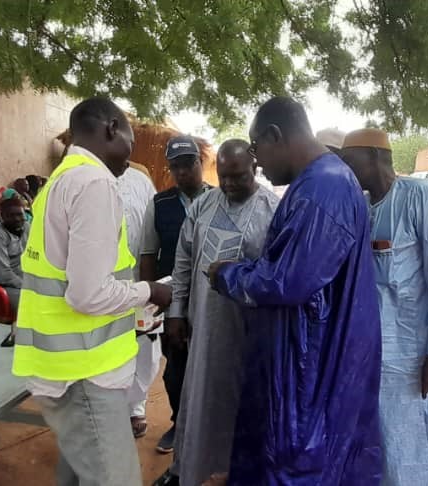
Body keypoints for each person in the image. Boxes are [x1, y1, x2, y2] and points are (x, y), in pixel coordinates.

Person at [205, 97, 383, 484]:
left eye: (257, 150)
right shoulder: (318, 183)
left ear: (275, 135)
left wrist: (228, 275)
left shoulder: (323, 189)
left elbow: (288, 281)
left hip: (312, 367)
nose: (259, 165)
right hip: (311, 356)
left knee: (299, 465)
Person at [11, 97, 172, 486]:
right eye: (129, 145)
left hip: (66, 366)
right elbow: (87, 295)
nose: (128, 159)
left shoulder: (62, 179)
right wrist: (148, 290)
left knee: (79, 470)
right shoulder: (94, 182)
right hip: (84, 373)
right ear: (111, 129)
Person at [339, 129, 428, 485]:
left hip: (414, 354)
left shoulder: (419, 197)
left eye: (350, 162)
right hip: (374, 354)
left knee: (417, 443)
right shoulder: (361, 206)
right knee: (385, 442)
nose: (346, 170)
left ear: (376, 156)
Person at [168, 140, 279, 486]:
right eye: (225, 176)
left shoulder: (272, 210)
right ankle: (192, 469)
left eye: (238, 176)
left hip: (248, 331)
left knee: (243, 402)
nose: (229, 184)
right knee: (201, 397)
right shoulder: (203, 206)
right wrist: (176, 310)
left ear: (255, 169)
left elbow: (277, 273)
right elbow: (184, 259)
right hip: (204, 325)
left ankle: (240, 473)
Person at [140, 134, 211, 456]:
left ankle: (210, 429)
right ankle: (180, 425)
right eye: (176, 167)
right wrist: (150, 300)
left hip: (213, 301)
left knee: (213, 367)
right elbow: (147, 254)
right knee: (175, 371)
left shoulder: (220, 199)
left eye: (189, 165)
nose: (183, 173)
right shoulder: (160, 204)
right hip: (174, 303)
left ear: (201, 163)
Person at [116, 159, 160, 438]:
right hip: (98, 283)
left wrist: (149, 281)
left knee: (144, 344)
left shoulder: (140, 181)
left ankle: (136, 406)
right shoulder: (81, 178)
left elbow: (151, 232)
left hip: (138, 279)